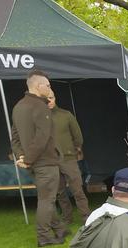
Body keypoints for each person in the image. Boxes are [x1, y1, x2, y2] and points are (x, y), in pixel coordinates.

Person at [11, 70, 68, 247]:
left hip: (33, 163)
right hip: (44, 162)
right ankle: (44, 237)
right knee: (47, 200)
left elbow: (14, 136)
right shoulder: (40, 107)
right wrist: (27, 158)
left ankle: (58, 228)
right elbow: (42, 138)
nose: (50, 89)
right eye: (48, 85)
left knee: (46, 196)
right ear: (38, 86)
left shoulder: (18, 106)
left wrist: (22, 156)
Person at [46, 92, 90, 225]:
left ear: (55, 98)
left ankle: (86, 217)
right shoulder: (39, 118)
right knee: (59, 192)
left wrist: (76, 149)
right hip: (50, 160)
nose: (49, 101)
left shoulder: (66, 115)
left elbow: (78, 136)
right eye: (46, 99)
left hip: (68, 158)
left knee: (77, 189)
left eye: (51, 98)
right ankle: (67, 217)